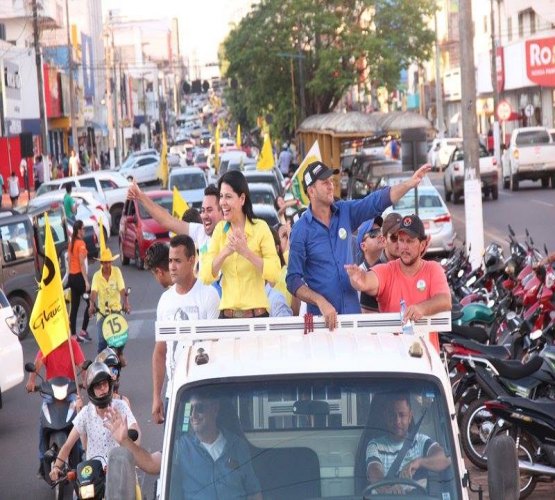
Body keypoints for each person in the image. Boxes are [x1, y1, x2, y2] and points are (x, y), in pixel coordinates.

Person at [286, 160, 431, 329]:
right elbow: (292, 279)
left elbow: (376, 201)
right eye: (325, 183)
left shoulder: (345, 212)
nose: (331, 186)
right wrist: (320, 301)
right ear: (311, 191)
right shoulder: (300, 230)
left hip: (352, 318)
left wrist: (408, 184)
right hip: (322, 323)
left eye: (331, 181)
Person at [104, 392, 263, 499]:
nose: (194, 415)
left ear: (214, 409)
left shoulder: (237, 446)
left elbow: (254, 493)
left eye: (200, 408)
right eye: (190, 409)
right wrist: (124, 440)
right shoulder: (181, 447)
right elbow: (151, 463)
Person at [153, 235, 220, 424]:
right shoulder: (165, 301)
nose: (172, 267)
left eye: (178, 261)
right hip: (173, 393)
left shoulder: (208, 296)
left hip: (202, 395)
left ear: (192, 261)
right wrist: (157, 397)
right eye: (170, 261)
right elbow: (160, 352)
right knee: (175, 452)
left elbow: (213, 348)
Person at [199, 170, 281, 318]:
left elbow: (275, 274)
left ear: (242, 198)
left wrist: (246, 252)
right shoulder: (219, 231)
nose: (223, 202)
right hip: (227, 318)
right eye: (221, 197)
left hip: (257, 318)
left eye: (228, 197)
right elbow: (205, 276)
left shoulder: (260, 228)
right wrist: (225, 251)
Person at [345, 214, 451, 321]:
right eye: (400, 240)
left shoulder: (433, 269)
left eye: (410, 241)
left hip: (425, 338)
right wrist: (358, 278)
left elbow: (445, 301)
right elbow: (366, 281)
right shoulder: (386, 269)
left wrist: (421, 308)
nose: (404, 246)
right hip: (392, 338)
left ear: (422, 245)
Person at [49, 362, 139, 482]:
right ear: (91, 390)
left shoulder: (121, 406)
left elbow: (135, 428)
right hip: (92, 475)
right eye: (97, 386)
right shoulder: (86, 413)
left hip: (119, 471)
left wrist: (133, 449)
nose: (102, 389)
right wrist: (56, 467)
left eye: (104, 384)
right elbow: (67, 445)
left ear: (109, 384)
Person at [366, 393, 451, 493]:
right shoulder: (375, 445)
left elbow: (446, 458)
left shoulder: (421, 441)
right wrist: (386, 490)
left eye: (402, 415)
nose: (397, 421)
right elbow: (374, 471)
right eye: (392, 415)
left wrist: (419, 462)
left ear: (410, 417)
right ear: (386, 416)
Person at [26, 337, 86, 477]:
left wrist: (85, 380)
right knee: (42, 423)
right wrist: (31, 381)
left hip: (69, 390)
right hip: (50, 391)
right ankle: (42, 460)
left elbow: (82, 365)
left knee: (78, 422)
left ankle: (81, 456)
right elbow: (37, 364)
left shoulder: (73, 344)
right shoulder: (47, 343)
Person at [128, 183, 223, 268]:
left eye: (209, 210)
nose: (204, 215)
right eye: (202, 210)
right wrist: (140, 196)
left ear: (222, 212)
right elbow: (167, 220)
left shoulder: (232, 237)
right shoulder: (200, 232)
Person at [88, 248, 130, 355]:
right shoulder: (97, 276)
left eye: (109, 262)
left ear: (111, 262)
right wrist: (91, 305)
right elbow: (93, 292)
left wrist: (126, 303)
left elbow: (122, 289)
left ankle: (120, 355)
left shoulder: (117, 271)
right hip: (102, 313)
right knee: (102, 342)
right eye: (105, 262)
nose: (107, 265)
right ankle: (101, 366)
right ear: (101, 263)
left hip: (116, 311)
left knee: (121, 339)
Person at [67, 220, 91, 343]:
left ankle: (73, 335)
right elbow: (82, 263)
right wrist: (86, 281)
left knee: (75, 307)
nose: (84, 231)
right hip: (79, 279)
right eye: (83, 229)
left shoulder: (71, 243)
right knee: (90, 302)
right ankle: (83, 330)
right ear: (79, 230)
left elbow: (68, 259)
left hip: (72, 277)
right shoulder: (81, 243)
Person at [357, 217, 384, 313]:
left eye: (380, 231)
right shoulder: (357, 275)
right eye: (374, 233)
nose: (380, 235)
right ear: (363, 246)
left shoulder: (389, 268)